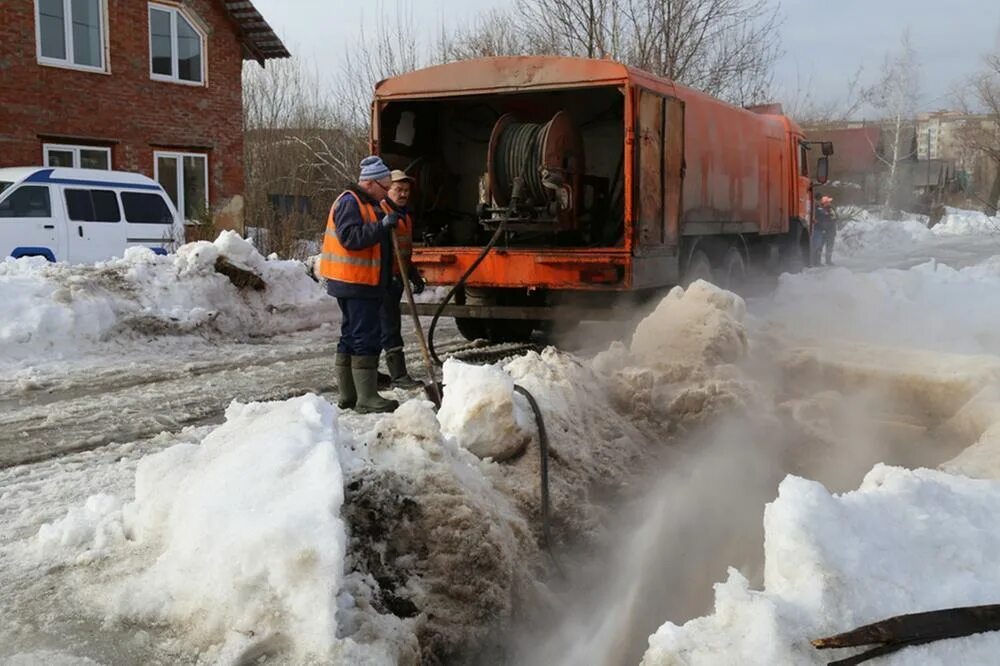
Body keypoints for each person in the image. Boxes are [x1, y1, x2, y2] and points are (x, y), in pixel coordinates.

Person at [318, 156, 399, 414]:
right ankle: (366, 398)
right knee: (365, 337)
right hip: (355, 282)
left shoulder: (369, 203)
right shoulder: (350, 202)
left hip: (361, 282)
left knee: (351, 336)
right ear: (371, 183)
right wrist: (381, 226)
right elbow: (351, 238)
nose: (386, 194)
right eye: (385, 188)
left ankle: (349, 395)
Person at [379, 170, 426, 389]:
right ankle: (398, 375)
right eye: (399, 189)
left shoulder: (405, 216)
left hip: (398, 276)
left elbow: (405, 251)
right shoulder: (382, 211)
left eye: (406, 190)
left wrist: (412, 273)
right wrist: (388, 276)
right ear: (388, 189)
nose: (403, 194)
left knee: (384, 325)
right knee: (388, 326)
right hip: (382, 280)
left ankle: (375, 373)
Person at [813, 195, 838, 266]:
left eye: (829, 202)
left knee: (829, 247)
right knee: (820, 247)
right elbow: (817, 220)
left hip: (830, 231)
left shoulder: (831, 209)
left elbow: (835, 218)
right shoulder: (819, 209)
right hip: (823, 231)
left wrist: (827, 218)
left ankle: (828, 260)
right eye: (827, 202)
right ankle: (817, 262)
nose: (828, 203)